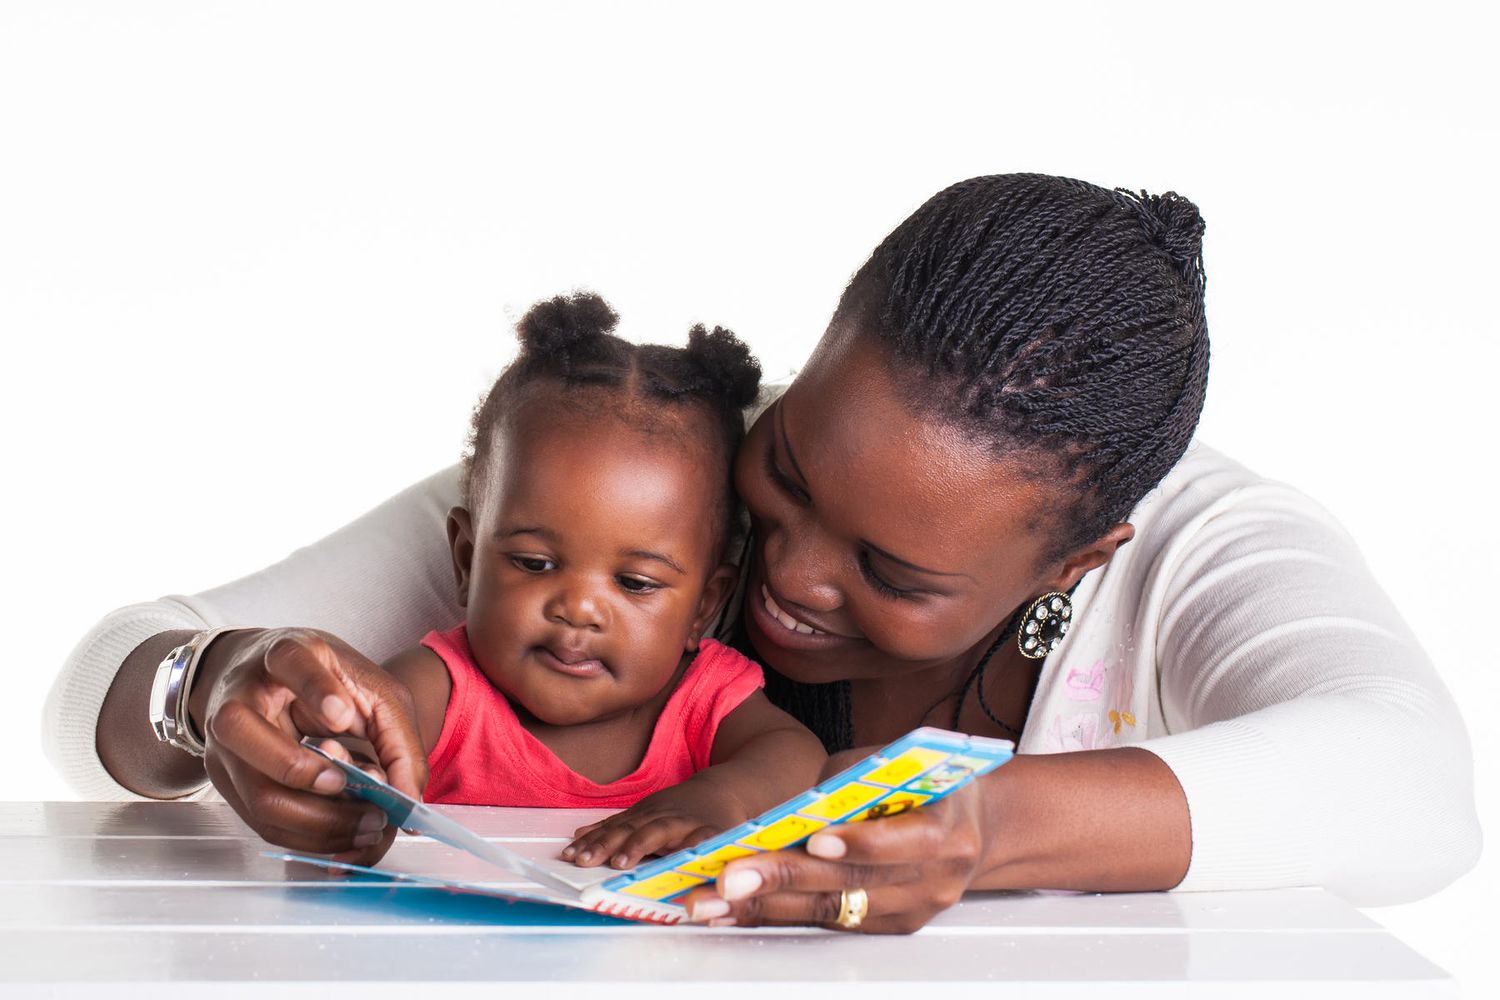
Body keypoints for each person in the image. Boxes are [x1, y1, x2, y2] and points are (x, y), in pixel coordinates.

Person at [46, 174, 1481, 933]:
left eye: (895, 575)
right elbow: (102, 682)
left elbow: (1415, 790)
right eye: (787, 469)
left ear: (1071, 564)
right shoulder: (640, 484)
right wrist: (214, 686)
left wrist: (985, 834)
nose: (787, 573)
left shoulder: (1191, 548)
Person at [358, 292, 823, 868]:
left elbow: (796, 753)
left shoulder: (701, 699)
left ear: (703, 607)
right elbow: (369, 723)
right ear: (467, 558)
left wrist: (718, 797)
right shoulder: (446, 690)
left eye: (635, 582)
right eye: (534, 563)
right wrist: (352, 768)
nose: (579, 608)